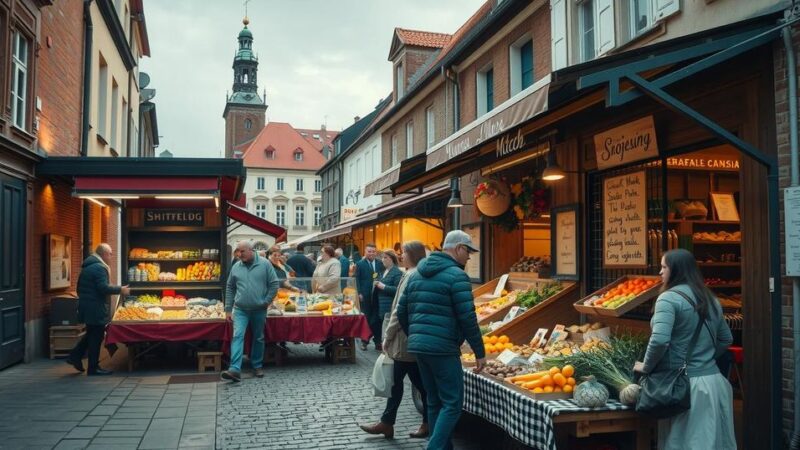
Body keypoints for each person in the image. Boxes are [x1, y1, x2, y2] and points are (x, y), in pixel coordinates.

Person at [634, 249, 735, 449]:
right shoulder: (711, 299)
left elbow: (659, 341)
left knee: (686, 443)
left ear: (677, 270)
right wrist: (704, 360)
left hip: (685, 388)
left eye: (664, 267)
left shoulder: (668, 299)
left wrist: (646, 366)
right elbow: (726, 339)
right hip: (714, 383)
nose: (660, 272)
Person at [396, 230, 486, 450]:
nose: (469, 257)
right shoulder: (457, 276)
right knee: (453, 404)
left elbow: (401, 311)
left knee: (434, 401)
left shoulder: (416, 274)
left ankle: (443, 447)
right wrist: (479, 352)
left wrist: (416, 335)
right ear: (458, 249)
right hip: (443, 349)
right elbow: (467, 317)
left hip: (420, 348)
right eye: (468, 251)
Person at [360, 241, 429, 440]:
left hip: (404, 339)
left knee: (406, 382)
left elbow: (400, 310)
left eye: (404, 253)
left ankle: (391, 423)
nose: (401, 256)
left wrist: (387, 337)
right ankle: (389, 423)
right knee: (407, 382)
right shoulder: (413, 273)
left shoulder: (410, 275)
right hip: (408, 339)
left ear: (412, 255)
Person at [66, 243, 130, 376]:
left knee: (91, 334)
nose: (112, 256)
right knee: (96, 337)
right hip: (95, 308)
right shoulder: (99, 268)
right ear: (104, 254)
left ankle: (75, 356)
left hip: (88, 306)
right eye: (111, 254)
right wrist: (120, 289)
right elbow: (103, 288)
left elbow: (87, 288)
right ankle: (93, 368)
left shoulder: (90, 266)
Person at [221, 240, 280, 382]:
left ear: (251, 250)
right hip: (240, 309)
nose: (239, 254)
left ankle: (257, 365)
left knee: (258, 337)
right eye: (238, 251)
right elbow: (230, 287)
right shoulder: (236, 266)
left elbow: (274, 284)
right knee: (237, 336)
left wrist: (266, 301)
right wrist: (228, 308)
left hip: (259, 309)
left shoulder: (265, 264)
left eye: (242, 251)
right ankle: (234, 369)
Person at [356, 243, 384, 351]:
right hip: (365, 296)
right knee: (366, 319)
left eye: (373, 251)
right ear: (365, 252)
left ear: (376, 252)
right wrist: (359, 293)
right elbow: (356, 279)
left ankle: (377, 342)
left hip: (377, 295)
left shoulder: (380, 263)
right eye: (369, 251)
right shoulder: (360, 264)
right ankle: (365, 341)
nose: (371, 253)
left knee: (376, 319)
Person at [374, 249, 403, 329]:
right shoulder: (383, 271)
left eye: (385, 257)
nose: (383, 260)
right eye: (382, 258)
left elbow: (397, 290)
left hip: (389, 308)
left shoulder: (397, 272)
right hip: (380, 307)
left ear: (391, 258)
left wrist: (383, 286)